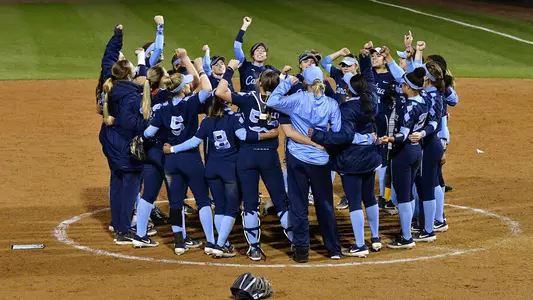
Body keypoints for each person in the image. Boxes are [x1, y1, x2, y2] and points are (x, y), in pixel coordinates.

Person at [164, 96, 278, 258]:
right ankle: (219, 245)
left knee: (220, 208)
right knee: (231, 210)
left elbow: (193, 142)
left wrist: (173, 149)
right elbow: (244, 136)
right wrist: (268, 135)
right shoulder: (232, 119)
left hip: (211, 170)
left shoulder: (206, 121)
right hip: (229, 171)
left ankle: (217, 243)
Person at [216, 59, 293, 261]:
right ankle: (296, 242)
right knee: (281, 201)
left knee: (249, 203)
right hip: (269, 156)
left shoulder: (248, 98)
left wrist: (230, 69)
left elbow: (220, 92)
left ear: (259, 83)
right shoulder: (282, 101)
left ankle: (254, 248)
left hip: (247, 156)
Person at [310, 46, 382, 257]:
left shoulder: (347, 108)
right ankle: (375, 238)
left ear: (348, 89)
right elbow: (369, 78)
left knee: (354, 200)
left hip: (352, 159)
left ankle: (360, 244)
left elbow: (345, 136)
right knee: (369, 197)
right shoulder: (371, 101)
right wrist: (365, 59)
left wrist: (319, 136)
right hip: (370, 156)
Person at [143, 49, 215, 255]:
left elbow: (148, 133)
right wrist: (201, 70)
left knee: (175, 203)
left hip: (170, 161)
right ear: (183, 89)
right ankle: (211, 241)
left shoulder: (163, 108)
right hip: (191, 159)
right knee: (202, 200)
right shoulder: (191, 103)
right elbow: (207, 87)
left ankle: (179, 243)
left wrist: (162, 138)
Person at [267, 65, 342, 263]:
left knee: (298, 205)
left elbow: (272, 101)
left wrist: (286, 83)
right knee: (325, 204)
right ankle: (333, 248)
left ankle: (301, 251)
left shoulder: (298, 98)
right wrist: (322, 144)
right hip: (321, 159)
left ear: (305, 83)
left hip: (297, 158)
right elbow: (337, 133)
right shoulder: (332, 104)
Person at [381, 46, 429, 249]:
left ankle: (407, 237)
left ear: (409, 88)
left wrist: (388, 139)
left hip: (404, 152)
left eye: (403, 85)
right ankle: (407, 231)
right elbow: (429, 124)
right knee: (408, 192)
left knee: (403, 195)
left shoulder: (409, 107)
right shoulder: (424, 99)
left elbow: (403, 135)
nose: (400, 87)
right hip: (417, 151)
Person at [233, 16, 290, 93]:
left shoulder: (270, 69)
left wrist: (284, 72)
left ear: (266, 56)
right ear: (252, 54)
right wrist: (245, 26)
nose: (260, 52)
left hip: (263, 103)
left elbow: (284, 81)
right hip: (246, 103)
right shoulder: (245, 65)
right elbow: (237, 46)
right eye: (257, 50)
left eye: (263, 51)